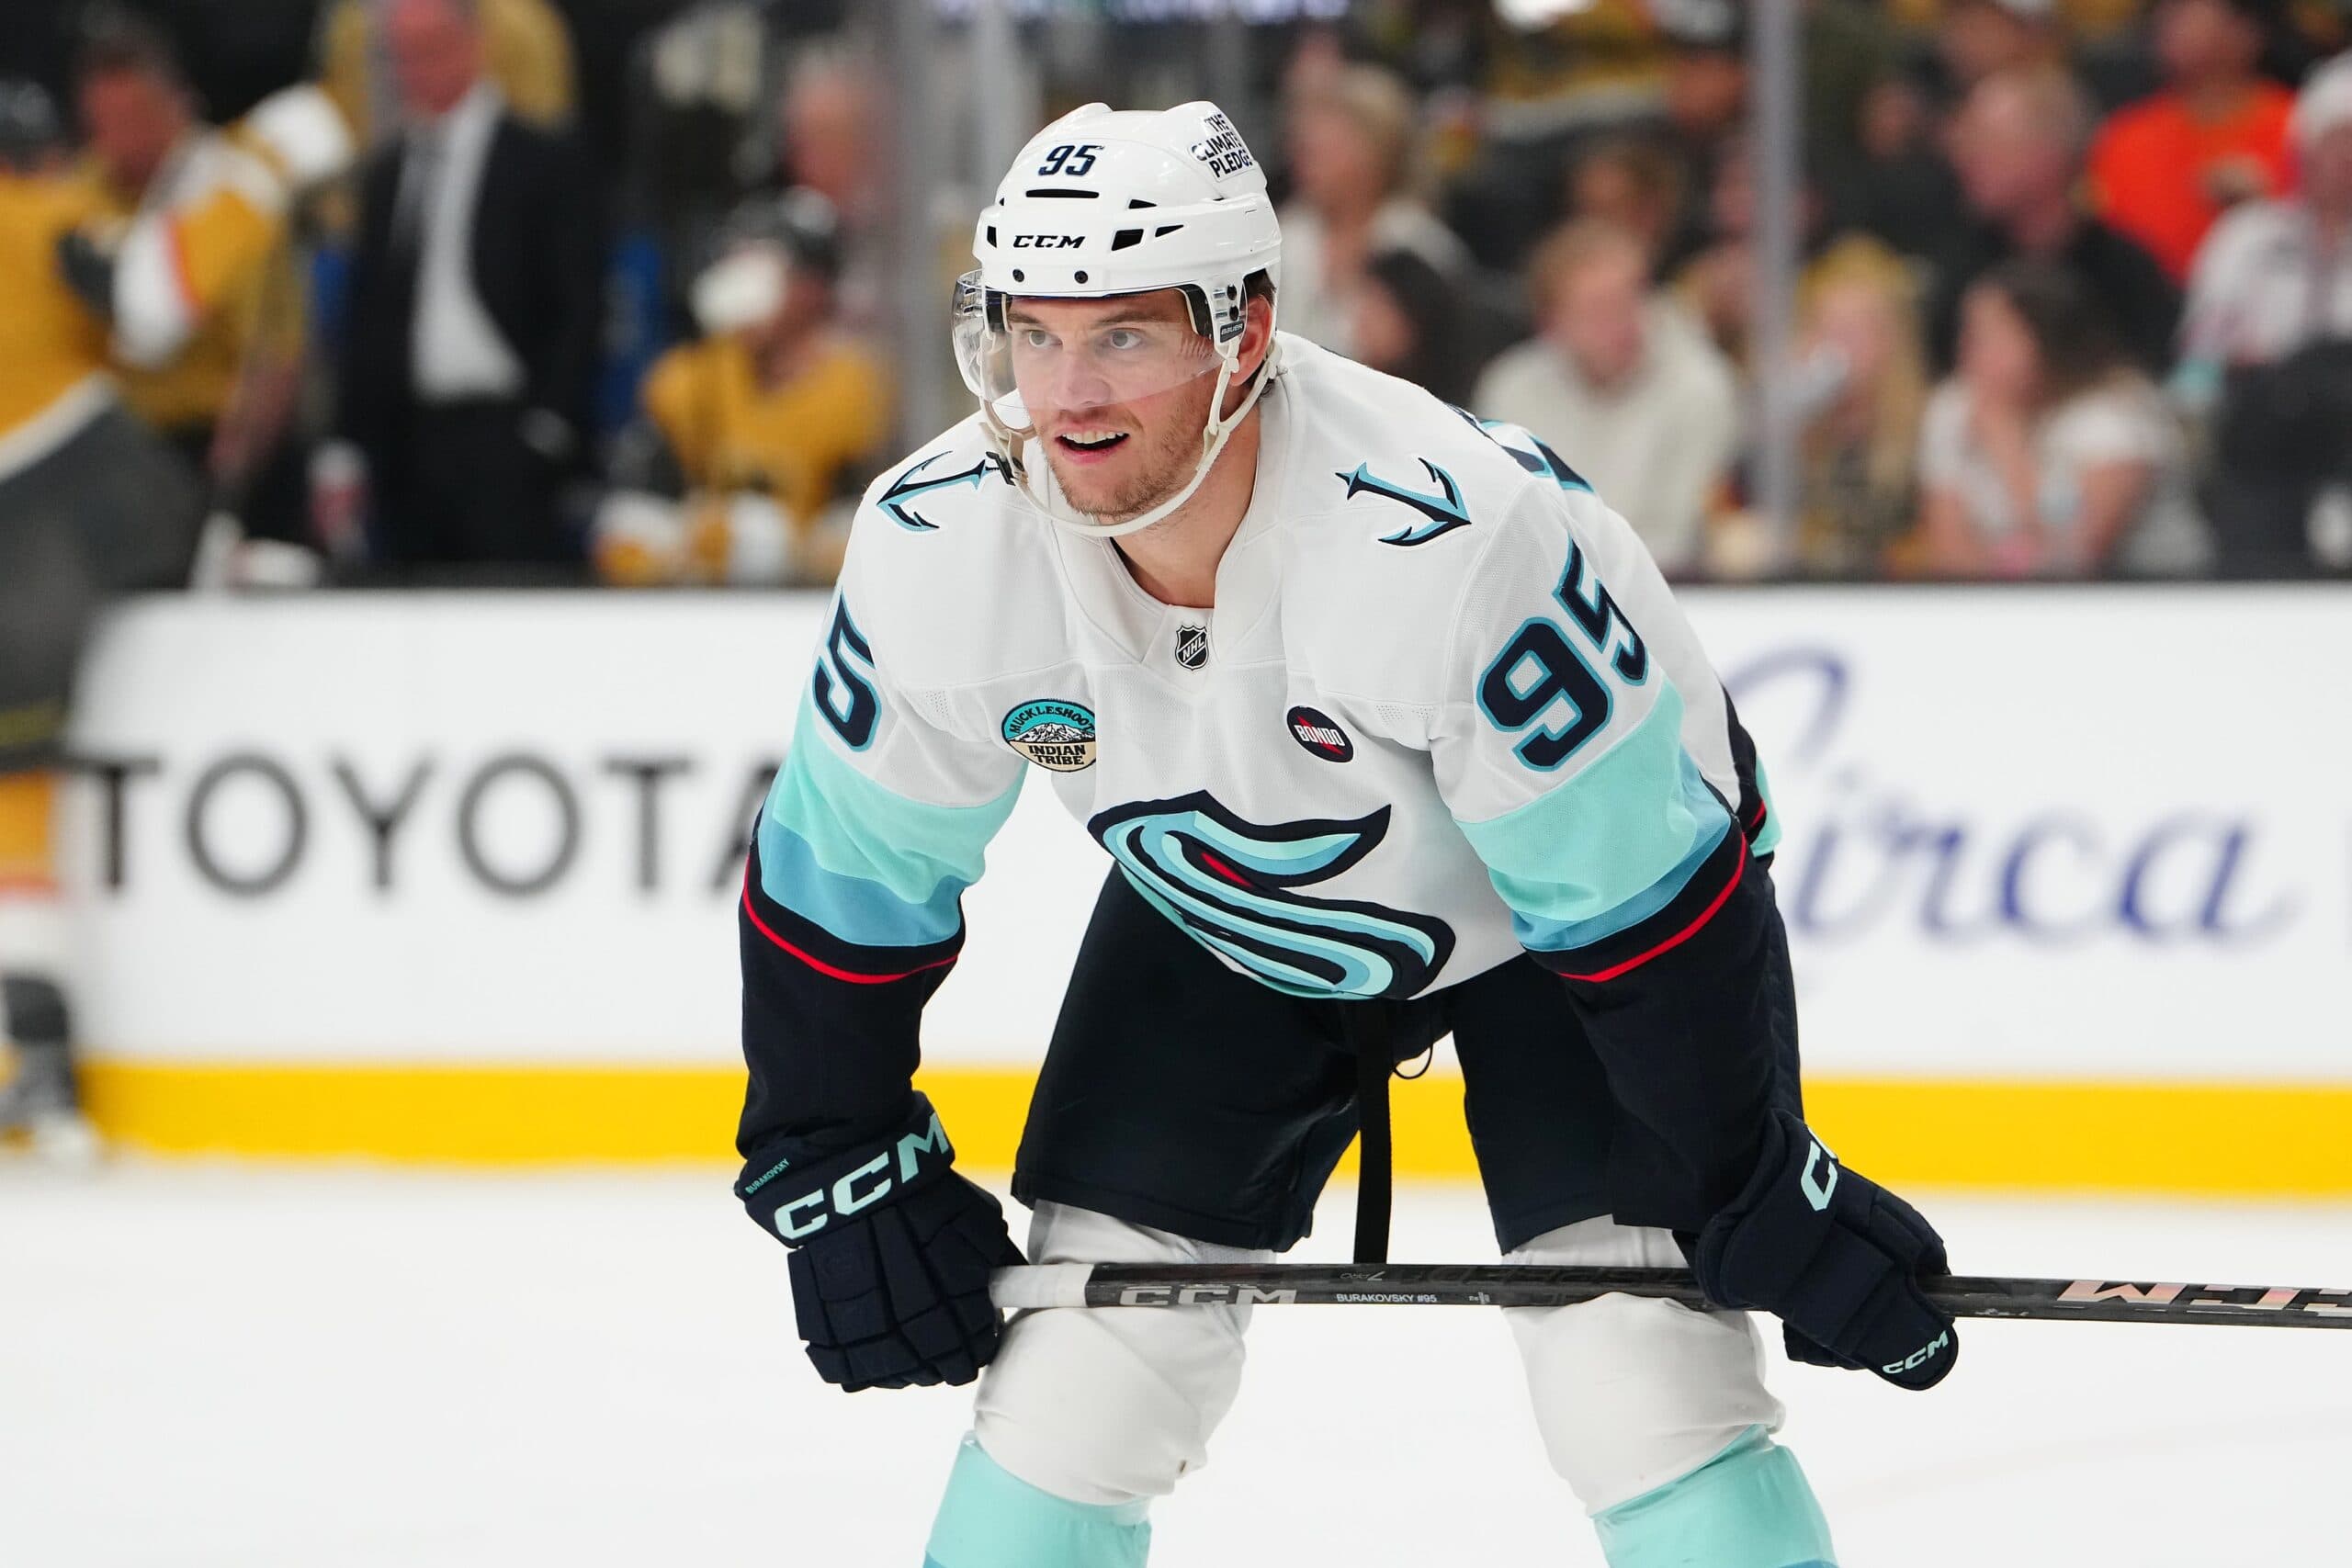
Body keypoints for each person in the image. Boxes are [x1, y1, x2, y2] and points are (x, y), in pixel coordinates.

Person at [731, 101, 1957, 1568]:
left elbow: (1645, 907)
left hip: (1558, 943)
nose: (1064, 394)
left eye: (1122, 334)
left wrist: (1748, 1173)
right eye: (1031, 333)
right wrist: (834, 1146)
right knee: (1074, 1395)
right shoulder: (940, 541)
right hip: (1227, 914)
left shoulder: (1446, 540)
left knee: (1642, 1387)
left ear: (1241, 333)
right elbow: (845, 877)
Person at [332, 0, 603, 570]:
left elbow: (578, 304)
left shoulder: (543, 161)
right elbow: (368, 315)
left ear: (475, 44)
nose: (414, 72)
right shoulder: (386, 175)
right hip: (409, 446)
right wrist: (349, 446)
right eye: (402, 57)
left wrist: (549, 425)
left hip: (507, 436)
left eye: (430, 51)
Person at [593, 188, 889, 587]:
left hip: (805, 611)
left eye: (763, 265)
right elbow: (625, 531)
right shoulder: (687, 378)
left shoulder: (858, 389)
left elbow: (873, 533)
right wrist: (685, 542)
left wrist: (788, 550)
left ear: (813, 288)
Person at [1476, 219, 1740, 575]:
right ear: (1552, 325)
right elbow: (1503, 518)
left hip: (1666, 589)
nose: (1623, 324)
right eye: (1599, 310)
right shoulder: (1511, 389)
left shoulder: (1700, 388)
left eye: (1632, 300)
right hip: (1539, 586)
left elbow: (1679, 533)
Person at [1917, 260, 2209, 577]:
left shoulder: (2119, 418)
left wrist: (2004, 444)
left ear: (2045, 340)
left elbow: (2072, 554)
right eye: (1968, 333)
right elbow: (1948, 551)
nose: (1968, 351)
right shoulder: (1956, 404)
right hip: (1998, 607)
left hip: (2148, 606)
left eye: (1990, 336)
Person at [2179, 52, 2352, 574]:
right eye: (2334, 141)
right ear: (2304, 149)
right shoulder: (2246, 237)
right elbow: (2196, 365)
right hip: (2258, 440)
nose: (2345, 160)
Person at [1930, 62, 2182, 373]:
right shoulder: (1960, 269)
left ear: (2050, 156)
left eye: (1988, 143)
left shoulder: (2127, 276)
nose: (1965, 158)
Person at [2087, 0, 2297, 282]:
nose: (2166, 22)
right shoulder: (2123, 137)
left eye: (2184, 9)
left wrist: (2264, 210)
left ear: (2245, 31)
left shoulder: (2301, 131)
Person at [1277, 62, 1470, 355]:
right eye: (1304, 152)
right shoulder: (1279, 238)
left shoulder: (1421, 249)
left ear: (1376, 154)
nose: (1305, 166)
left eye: (1323, 153)